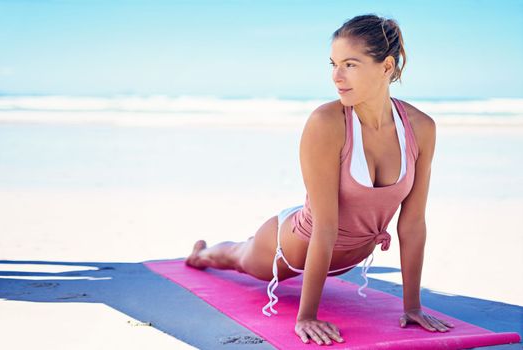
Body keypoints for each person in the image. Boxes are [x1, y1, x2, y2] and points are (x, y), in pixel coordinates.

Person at [185, 13, 455, 346]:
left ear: (386, 67)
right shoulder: (327, 122)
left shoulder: (420, 128)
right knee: (238, 257)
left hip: (347, 257)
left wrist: (413, 306)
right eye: (333, 64)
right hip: (292, 246)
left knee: (242, 252)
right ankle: (200, 254)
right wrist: (306, 316)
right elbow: (324, 227)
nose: (336, 77)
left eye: (350, 65)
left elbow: (412, 224)